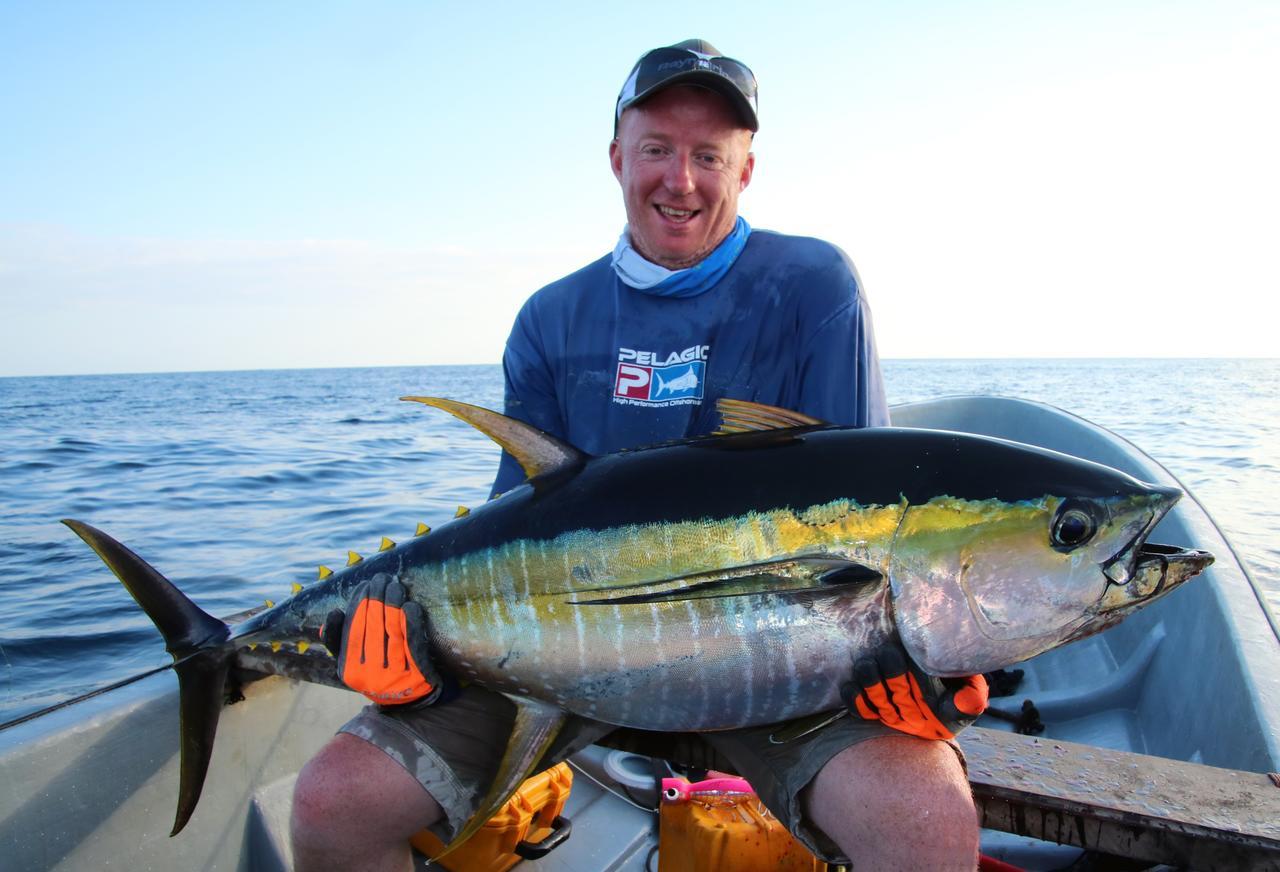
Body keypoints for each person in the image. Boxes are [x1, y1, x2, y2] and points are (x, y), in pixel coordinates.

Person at [292, 39, 985, 871]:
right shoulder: (553, 318)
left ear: (747, 170)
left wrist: (916, 661)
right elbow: (512, 526)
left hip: (783, 664)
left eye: (708, 156)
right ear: (617, 156)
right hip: (559, 659)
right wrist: (420, 651)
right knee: (333, 805)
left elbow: (858, 518)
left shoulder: (812, 285)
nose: (680, 180)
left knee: (925, 822)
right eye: (657, 150)